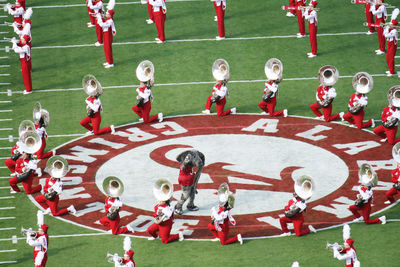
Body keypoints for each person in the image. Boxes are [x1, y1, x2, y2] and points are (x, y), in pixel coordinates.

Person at [174, 150, 205, 215]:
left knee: (192, 193)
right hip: (185, 181)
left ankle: (190, 205)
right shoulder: (185, 164)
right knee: (186, 195)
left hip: (190, 180)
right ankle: (178, 206)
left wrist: (194, 185)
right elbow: (183, 166)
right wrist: (186, 161)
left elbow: (197, 175)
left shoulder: (191, 167)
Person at [96, 2, 116, 69]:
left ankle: (111, 63)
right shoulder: (108, 19)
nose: (106, 14)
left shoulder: (110, 20)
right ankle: (108, 61)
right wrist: (100, 17)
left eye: (107, 13)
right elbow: (104, 22)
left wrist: (99, 18)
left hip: (108, 36)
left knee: (108, 49)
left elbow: (102, 25)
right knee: (105, 49)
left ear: (110, 15)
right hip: (105, 35)